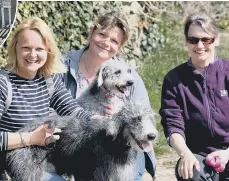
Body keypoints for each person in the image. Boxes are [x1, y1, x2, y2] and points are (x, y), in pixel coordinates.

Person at [0, 17, 96, 181]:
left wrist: (96, 119)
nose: (33, 55)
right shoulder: (0, 82)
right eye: (26, 48)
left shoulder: (48, 79)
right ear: (15, 48)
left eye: (39, 49)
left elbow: (72, 110)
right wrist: (30, 138)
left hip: (35, 164)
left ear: (48, 50)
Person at [160, 12, 229, 181]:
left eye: (206, 39)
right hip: (198, 156)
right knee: (189, 172)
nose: (199, 45)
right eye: (193, 39)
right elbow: (172, 126)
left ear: (217, 40)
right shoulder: (174, 79)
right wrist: (185, 154)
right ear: (186, 40)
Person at [60, 10, 157, 180]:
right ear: (91, 32)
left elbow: (145, 121)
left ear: (120, 46)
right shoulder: (62, 67)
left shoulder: (130, 79)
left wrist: (120, 119)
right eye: (102, 34)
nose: (106, 43)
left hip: (121, 154)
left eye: (114, 40)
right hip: (75, 148)